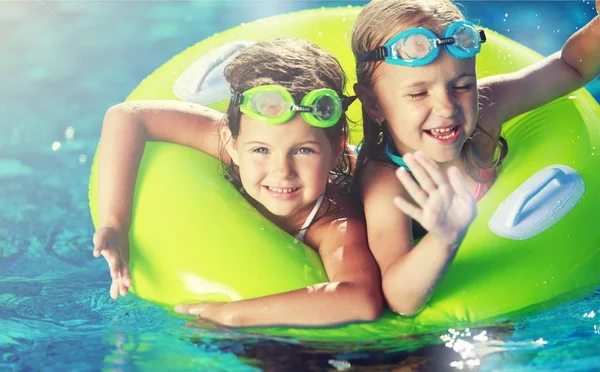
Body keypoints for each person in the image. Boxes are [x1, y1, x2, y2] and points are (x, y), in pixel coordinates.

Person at [92, 38, 383, 328]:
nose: (281, 170)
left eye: (303, 150)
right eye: (261, 150)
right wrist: (115, 224)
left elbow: (361, 300)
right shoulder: (234, 143)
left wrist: (229, 314)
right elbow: (126, 116)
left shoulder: (334, 222)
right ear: (232, 144)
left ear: (336, 149)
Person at [350, 0, 600, 316]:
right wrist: (443, 238)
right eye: (418, 94)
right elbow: (400, 298)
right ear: (374, 104)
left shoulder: (487, 110)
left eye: (463, 85)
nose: (447, 108)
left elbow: (570, 67)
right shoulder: (387, 183)